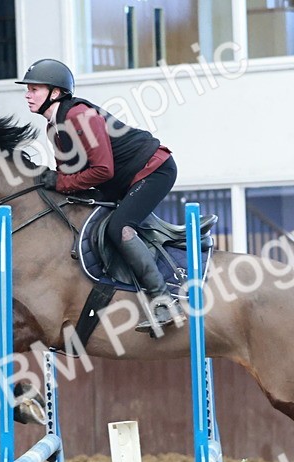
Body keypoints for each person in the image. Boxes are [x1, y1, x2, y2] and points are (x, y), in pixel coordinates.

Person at [17, 58, 181, 332]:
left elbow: (102, 170)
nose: (27, 95)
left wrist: (59, 182)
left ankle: (164, 302)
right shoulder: (53, 128)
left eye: (34, 89)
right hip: (122, 180)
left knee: (119, 228)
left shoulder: (78, 116)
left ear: (55, 93)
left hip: (154, 170)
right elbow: (69, 177)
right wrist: (50, 181)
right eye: (28, 89)